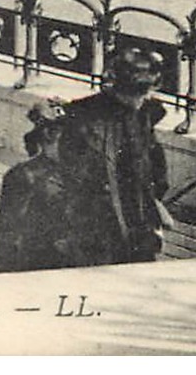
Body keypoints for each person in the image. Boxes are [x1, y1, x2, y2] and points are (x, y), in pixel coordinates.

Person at [55, 45, 170, 268]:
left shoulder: (142, 115)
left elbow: (154, 168)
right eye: (139, 94)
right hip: (98, 232)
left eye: (144, 94)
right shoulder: (85, 118)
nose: (142, 100)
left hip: (136, 228)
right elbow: (73, 180)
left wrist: (153, 208)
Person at [0, 98, 70, 273]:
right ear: (49, 135)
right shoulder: (24, 175)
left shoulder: (77, 173)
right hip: (35, 269)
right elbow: (7, 236)